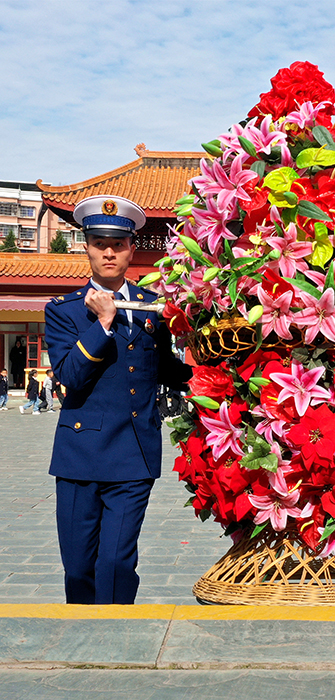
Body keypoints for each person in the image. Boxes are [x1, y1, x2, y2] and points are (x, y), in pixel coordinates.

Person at [45, 194, 192, 605]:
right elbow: (70, 375)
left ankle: (115, 637)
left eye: (118, 244)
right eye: (99, 243)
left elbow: (167, 368)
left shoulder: (152, 308)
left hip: (132, 452)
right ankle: (82, 635)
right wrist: (103, 323)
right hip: (80, 453)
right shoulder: (64, 311)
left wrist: (224, 378)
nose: (108, 252)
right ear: (87, 247)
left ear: (132, 249)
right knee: (78, 566)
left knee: (115, 563)